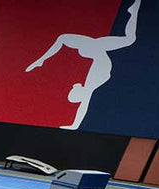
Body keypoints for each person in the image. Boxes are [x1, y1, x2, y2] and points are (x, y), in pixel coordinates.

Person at [27, 0, 141, 130]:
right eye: (73, 91)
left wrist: (41, 60)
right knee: (130, 39)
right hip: (96, 50)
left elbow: (82, 106)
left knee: (63, 38)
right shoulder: (91, 83)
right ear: (79, 92)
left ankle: (133, 10)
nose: (72, 87)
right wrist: (74, 125)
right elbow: (83, 107)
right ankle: (133, 10)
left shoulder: (88, 86)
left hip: (95, 50)